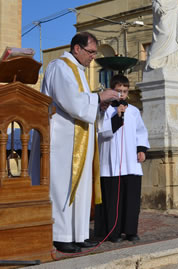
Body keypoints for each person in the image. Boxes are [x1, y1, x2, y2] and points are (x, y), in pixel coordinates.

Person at [28, 32, 120, 253]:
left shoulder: (77, 70)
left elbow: (83, 105)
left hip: (78, 139)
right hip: (61, 141)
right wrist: (98, 97)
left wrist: (100, 106)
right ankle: (60, 235)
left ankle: (78, 234)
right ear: (77, 49)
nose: (93, 57)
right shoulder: (60, 67)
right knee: (62, 186)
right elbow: (70, 101)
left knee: (79, 187)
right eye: (91, 52)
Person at [94, 75, 150, 243]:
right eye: (118, 91)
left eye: (125, 91)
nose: (122, 95)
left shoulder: (133, 111)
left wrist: (141, 149)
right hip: (111, 162)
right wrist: (117, 117)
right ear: (112, 91)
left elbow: (141, 131)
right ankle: (113, 231)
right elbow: (102, 131)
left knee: (131, 199)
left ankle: (131, 230)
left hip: (131, 163)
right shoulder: (104, 110)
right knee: (113, 200)